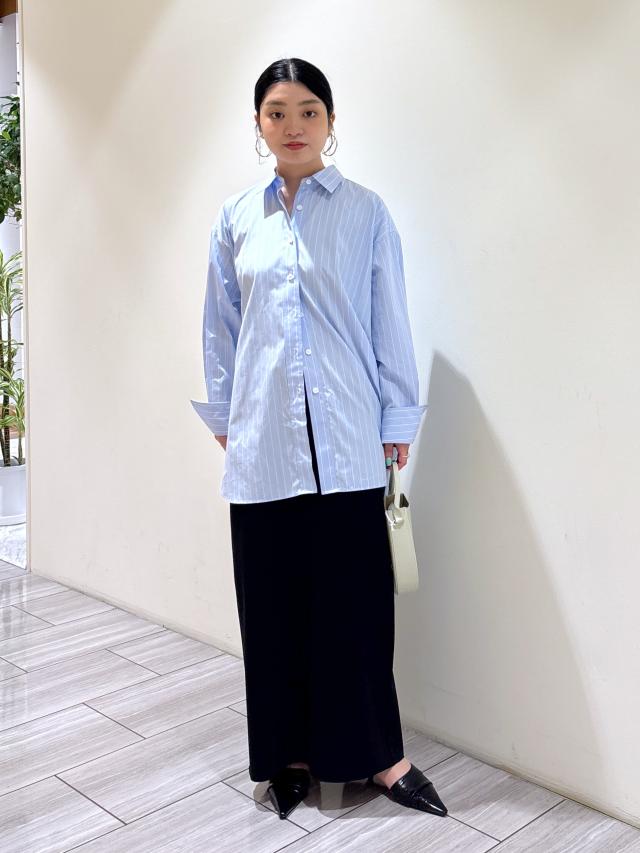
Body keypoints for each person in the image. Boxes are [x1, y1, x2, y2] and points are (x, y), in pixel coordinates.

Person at [190, 57, 447, 821]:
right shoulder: (237, 217)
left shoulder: (366, 212)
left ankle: (382, 756)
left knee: (357, 608)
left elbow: (388, 319)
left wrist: (397, 421)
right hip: (262, 446)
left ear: (330, 122)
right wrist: (228, 421)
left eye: (308, 111)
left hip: (348, 442)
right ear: (258, 125)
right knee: (273, 609)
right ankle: (290, 755)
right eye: (277, 112)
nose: (293, 125)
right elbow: (220, 327)